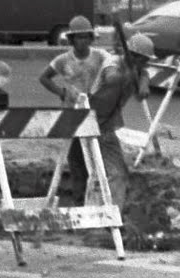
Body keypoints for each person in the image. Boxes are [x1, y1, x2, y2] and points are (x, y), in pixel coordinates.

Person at [71, 31, 154, 209]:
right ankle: (88, 212)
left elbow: (143, 80)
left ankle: (111, 214)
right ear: (134, 56)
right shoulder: (113, 64)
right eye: (143, 60)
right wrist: (128, 75)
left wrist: (143, 80)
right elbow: (111, 77)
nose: (145, 64)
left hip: (106, 126)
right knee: (84, 169)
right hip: (88, 121)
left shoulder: (137, 69)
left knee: (116, 173)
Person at [40, 16, 112, 204]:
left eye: (86, 37)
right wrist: (61, 93)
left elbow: (113, 70)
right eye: (78, 38)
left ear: (90, 38)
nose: (82, 42)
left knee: (97, 159)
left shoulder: (100, 56)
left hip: (95, 115)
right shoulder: (63, 60)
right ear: (72, 40)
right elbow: (44, 77)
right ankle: (79, 201)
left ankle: (99, 200)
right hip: (72, 116)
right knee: (76, 161)